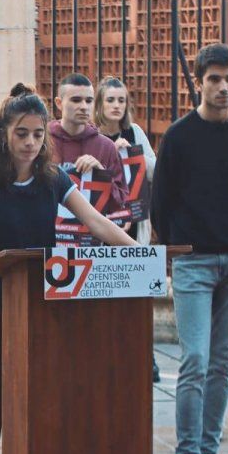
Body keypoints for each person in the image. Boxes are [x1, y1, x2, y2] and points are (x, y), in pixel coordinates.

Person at [0, 84, 136, 454]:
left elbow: (96, 222)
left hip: (39, 313)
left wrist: (142, 257)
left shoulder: (53, 179)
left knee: (39, 410)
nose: (31, 143)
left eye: (38, 134)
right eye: (22, 134)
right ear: (3, 134)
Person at [151, 43, 228, 454]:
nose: (223, 87)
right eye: (214, 79)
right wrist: (180, 248)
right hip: (195, 263)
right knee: (194, 361)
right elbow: (160, 204)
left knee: (222, 363)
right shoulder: (179, 136)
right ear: (199, 83)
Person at [94, 75, 161, 383]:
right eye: (111, 100)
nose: (116, 106)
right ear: (100, 104)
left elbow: (154, 168)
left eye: (121, 100)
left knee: (138, 293)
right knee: (107, 293)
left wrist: (131, 151)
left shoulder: (134, 131)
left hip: (134, 224)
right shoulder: (92, 135)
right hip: (104, 223)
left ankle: (147, 357)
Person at [49, 73, 129, 209]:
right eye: (76, 100)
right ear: (59, 103)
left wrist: (100, 174)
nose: (84, 106)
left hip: (91, 229)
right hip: (48, 228)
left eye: (89, 101)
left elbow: (121, 203)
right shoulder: (42, 139)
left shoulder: (106, 146)